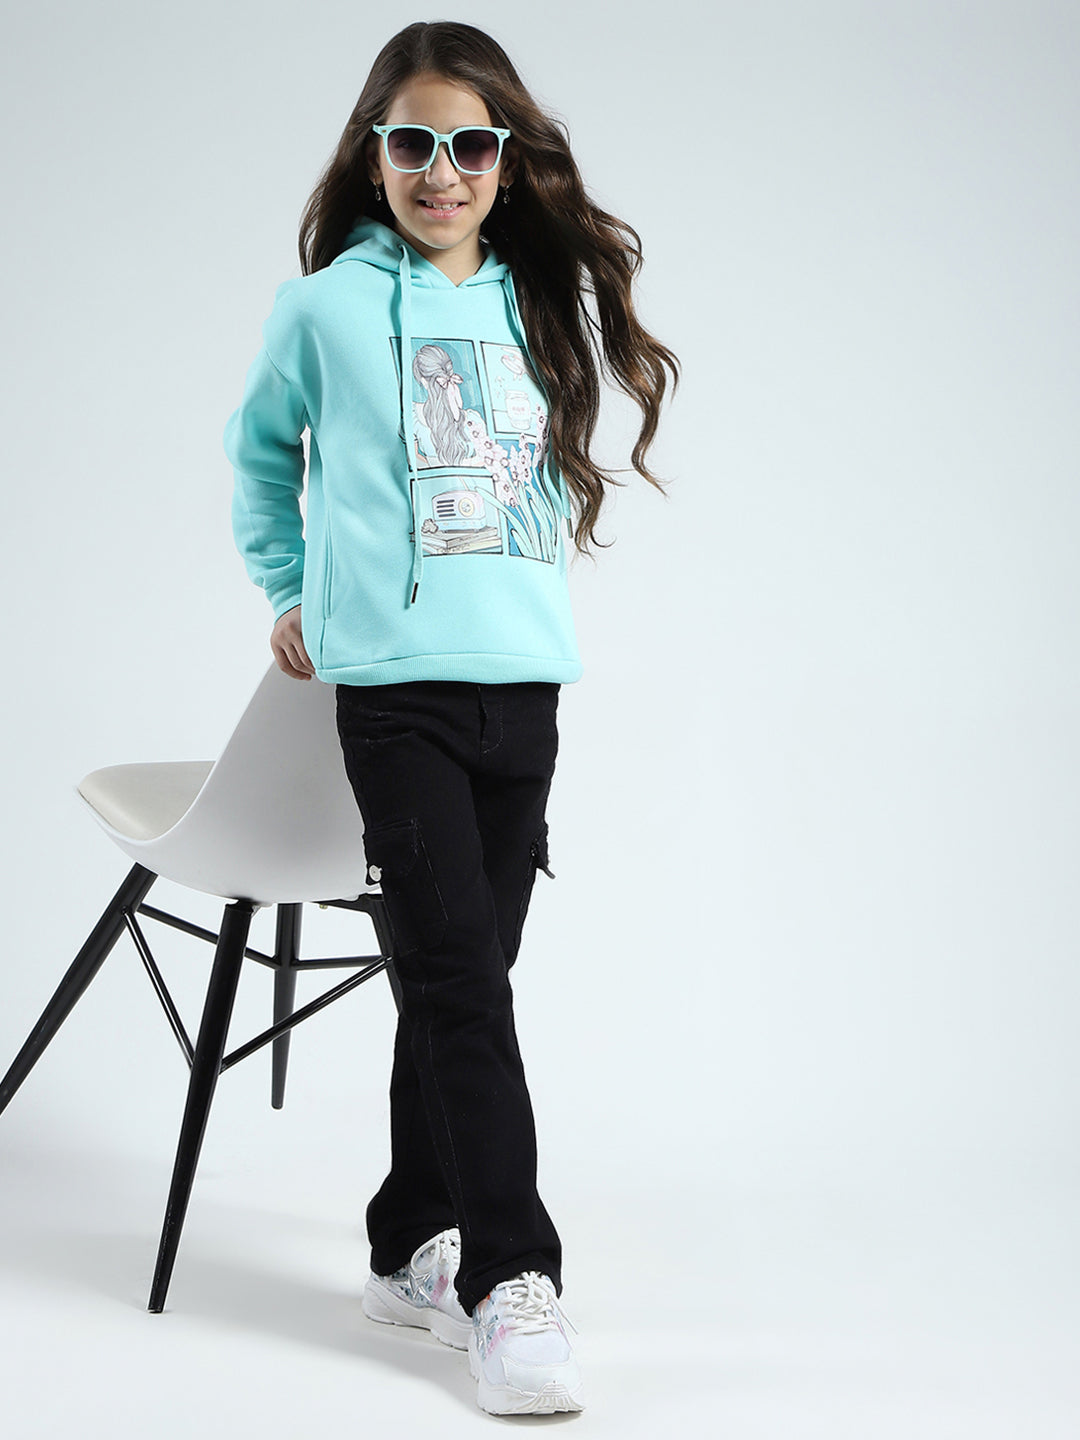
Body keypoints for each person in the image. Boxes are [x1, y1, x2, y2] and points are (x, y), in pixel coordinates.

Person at [224, 19, 677, 1417]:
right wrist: (291, 588)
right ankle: (510, 1280)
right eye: (413, 143)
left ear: (505, 162)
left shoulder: (540, 304)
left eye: (469, 146)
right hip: (394, 696)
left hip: (524, 688)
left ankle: (401, 1248)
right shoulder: (322, 312)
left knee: (459, 981)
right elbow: (260, 459)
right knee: (463, 987)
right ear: (374, 157)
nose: (441, 171)